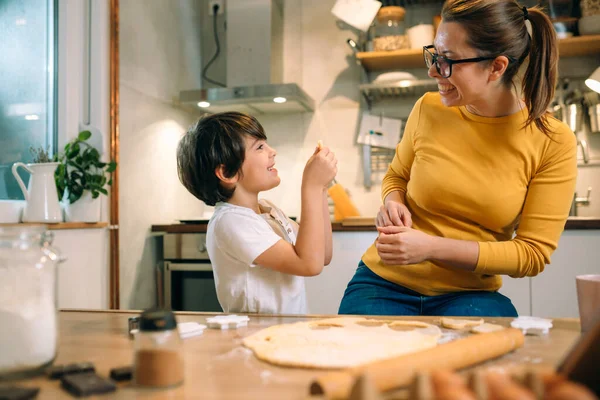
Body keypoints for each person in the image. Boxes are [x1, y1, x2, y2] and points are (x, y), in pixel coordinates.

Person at [339, 0, 577, 317]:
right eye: (435, 55)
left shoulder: (553, 141)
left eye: (448, 61)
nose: (433, 70)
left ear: (497, 67)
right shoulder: (428, 108)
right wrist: (393, 202)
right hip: (382, 282)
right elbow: (396, 176)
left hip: (470, 294)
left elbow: (531, 254)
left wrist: (429, 248)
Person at [177, 112, 337, 314]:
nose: (273, 151)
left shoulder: (268, 211)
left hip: (282, 334)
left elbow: (322, 254)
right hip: (254, 335)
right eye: (260, 147)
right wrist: (311, 186)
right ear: (227, 173)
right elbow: (309, 265)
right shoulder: (231, 221)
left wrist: (321, 187)